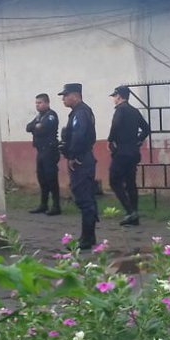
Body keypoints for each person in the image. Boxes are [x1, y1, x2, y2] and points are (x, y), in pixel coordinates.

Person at [58, 82, 98, 250]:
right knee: (86, 197)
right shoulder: (79, 112)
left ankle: (86, 240)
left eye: (65, 96)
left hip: (81, 160)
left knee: (84, 199)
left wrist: (73, 155)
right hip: (83, 158)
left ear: (75, 95)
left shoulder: (80, 113)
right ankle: (89, 236)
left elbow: (79, 136)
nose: (63, 99)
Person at [107, 85, 151, 226]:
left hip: (121, 152)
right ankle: (134, 217)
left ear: (119, 96)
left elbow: (115, 125)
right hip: (133, 152)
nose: (113, 99)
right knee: (130, 183)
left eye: (114, 96)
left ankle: (130, 211)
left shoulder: (120, 110)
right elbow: (146, 129)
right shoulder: (134, 111)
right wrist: (138, 141)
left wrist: (110, 140)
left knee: (114, 181)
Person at [25, 92, 61, 215]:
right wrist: (36, 126)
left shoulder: (51, 115)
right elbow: (28, 127)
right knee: (42, 178)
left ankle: (56, 206)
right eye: (36, 103)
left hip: (50, 151)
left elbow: (44, 129)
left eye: (40, 103)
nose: (37, 105)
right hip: (40, 151)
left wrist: (36, 128)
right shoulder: (39, 116)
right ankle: (43, 204)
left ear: (46, 103)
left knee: (51, 178)